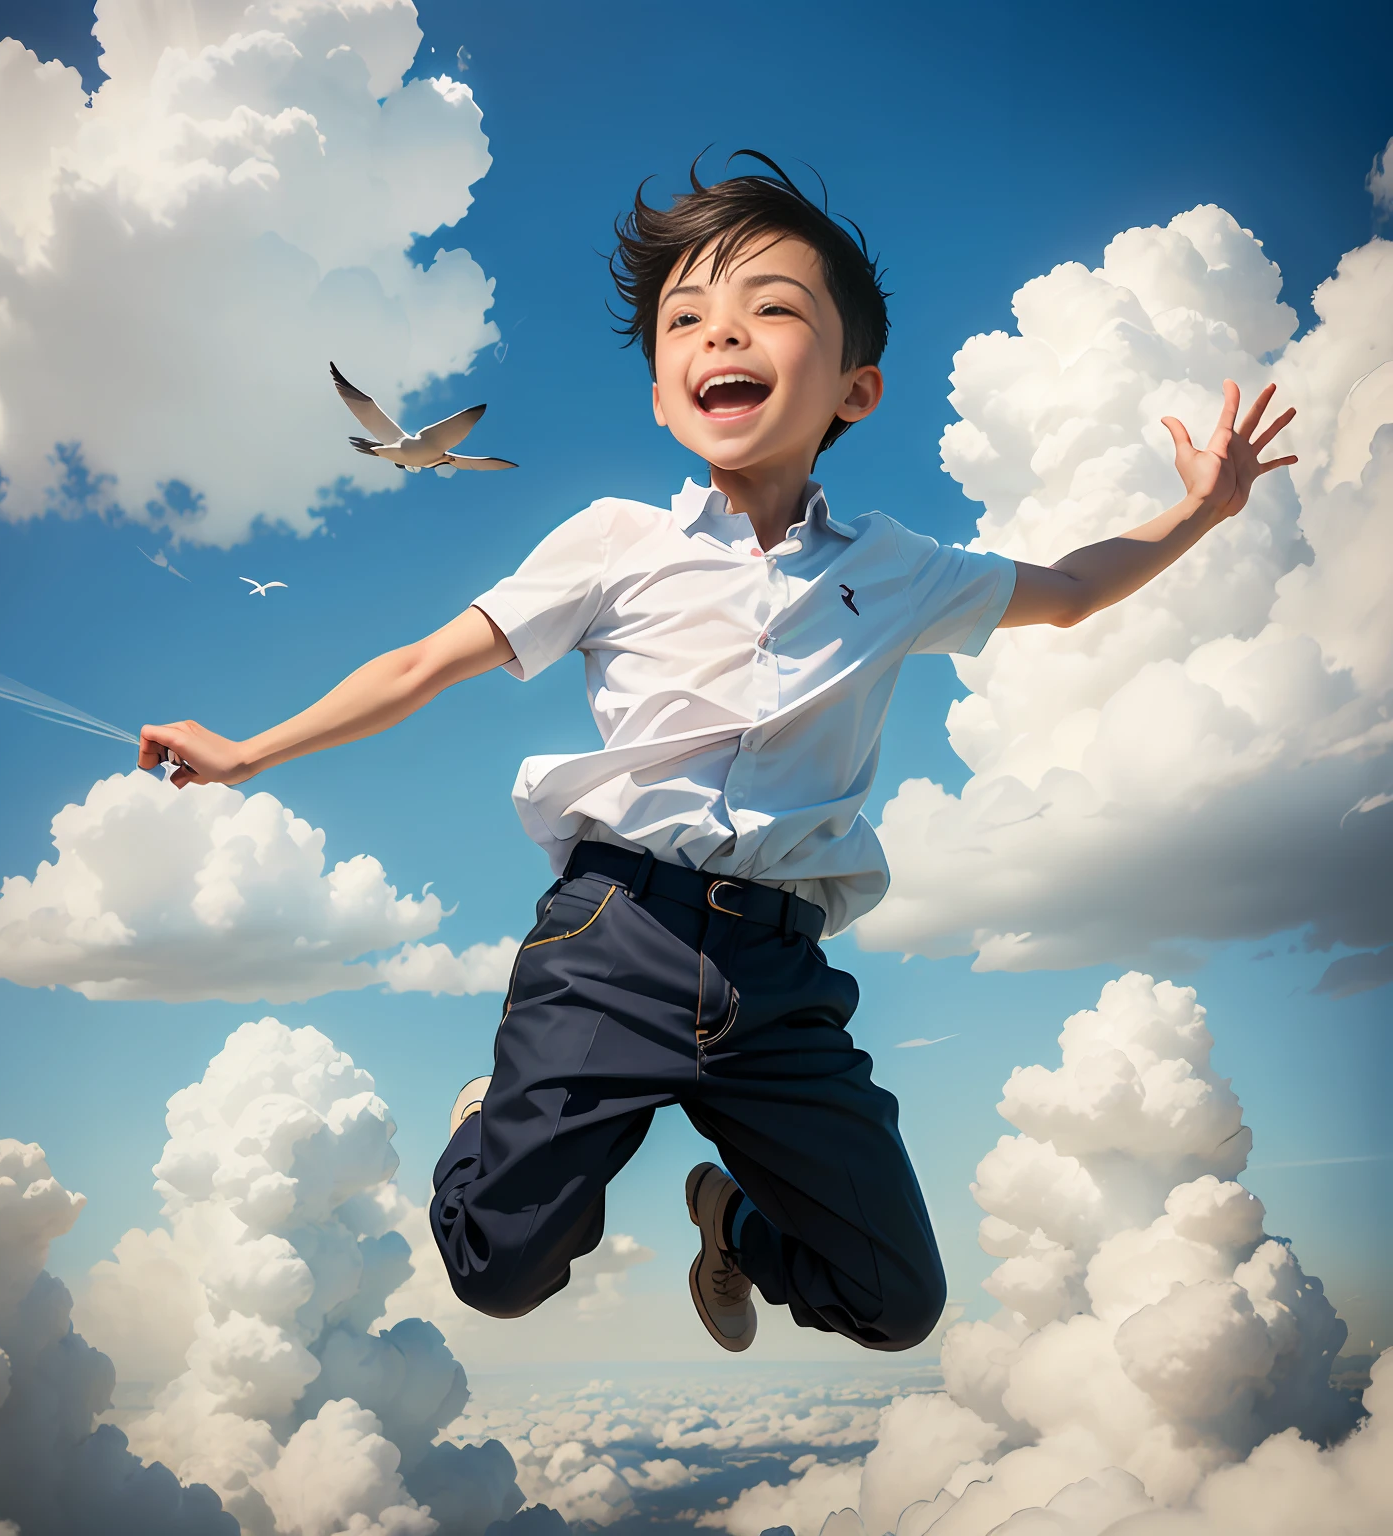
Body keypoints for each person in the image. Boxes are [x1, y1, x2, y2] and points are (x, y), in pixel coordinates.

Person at [139, 153, 1297, 1354]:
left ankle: (729, 1223)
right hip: (612, 942)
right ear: (657, 391)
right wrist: (247, 754)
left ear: (857, 389)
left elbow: (1064, 591)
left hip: (778, 980)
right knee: (497, 1270)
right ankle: (483, 1125)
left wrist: (1203, 510)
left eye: (772, 308)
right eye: (685, 319)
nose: (719, 334)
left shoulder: (893, 568)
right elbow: (422, 666)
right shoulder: (612, 544)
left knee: (896, 1305)